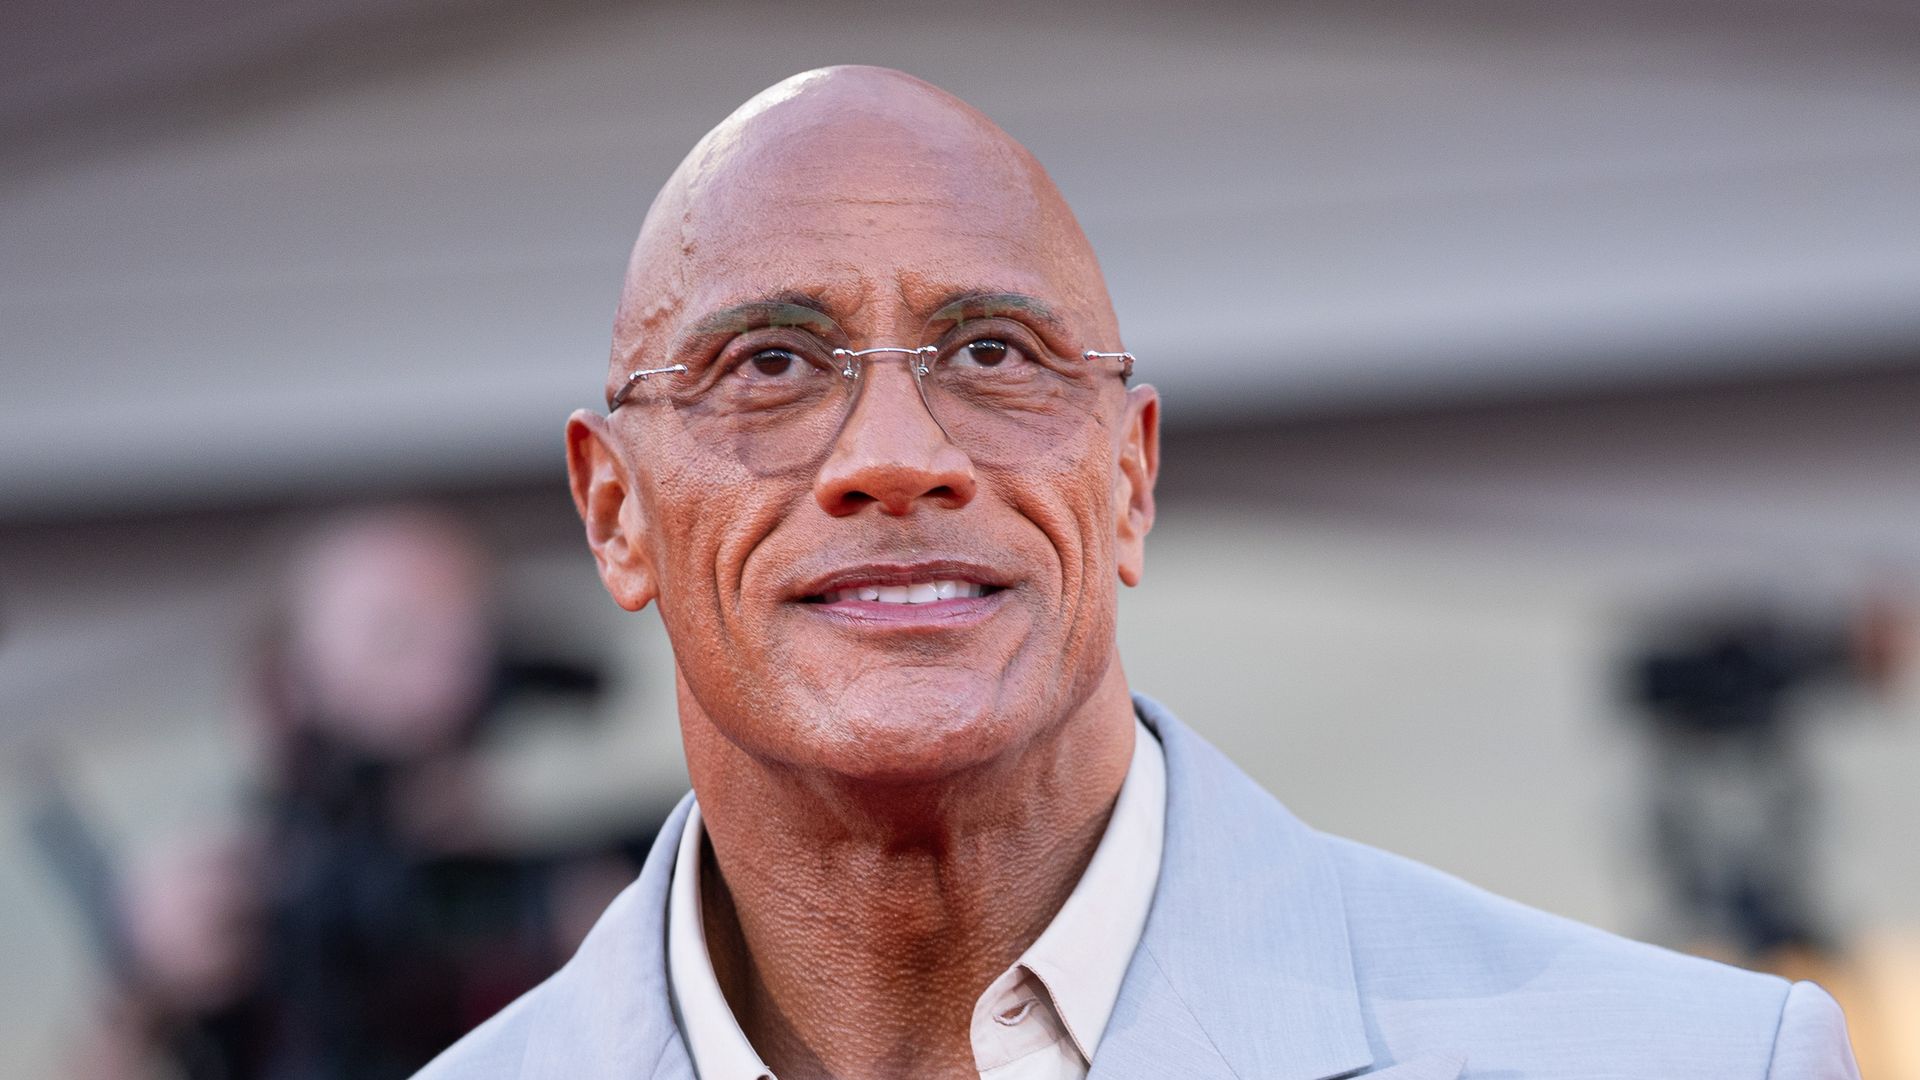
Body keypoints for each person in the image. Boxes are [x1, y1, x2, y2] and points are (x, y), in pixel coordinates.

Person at [419, 67, 1859, 1080]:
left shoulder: (1699, 1062)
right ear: (614, 513)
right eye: (771, 364)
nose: (897, 453)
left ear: (1130, 479)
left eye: (992, 353)